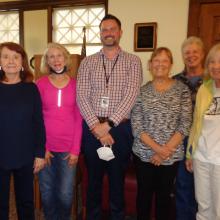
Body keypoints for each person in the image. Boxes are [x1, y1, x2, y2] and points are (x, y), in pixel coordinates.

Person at [77, 14, 142, 220]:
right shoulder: (88, 62)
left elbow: (131, 95)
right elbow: (81, 96)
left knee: (117, 180)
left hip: (120, 130)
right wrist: (97, 126)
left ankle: (117, 216)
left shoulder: (133, 61)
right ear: (100, 33)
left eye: (112, 29)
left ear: (120, 32)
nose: (108, 33)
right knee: (93, 180)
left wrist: (109, 124)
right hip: (92, 129)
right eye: (104, 29)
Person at [131, 47, 192, 220]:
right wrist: (157, 149)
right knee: (143, 197)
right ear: (150, 65)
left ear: (171, 65)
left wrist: (164, 151)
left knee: (164, 198)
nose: (160, 64)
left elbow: (185, 123)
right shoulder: (141, 91)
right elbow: (137, 126)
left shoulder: (182, 90)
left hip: (170, 156)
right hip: (144, 155)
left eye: (165, 61)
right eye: (156, 60)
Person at [37, 43, 82, 220]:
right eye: (51, 56)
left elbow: (79, 119)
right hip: (45, 149)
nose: (56, 60)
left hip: (68, 150)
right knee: (47, 193)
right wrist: (42, 147)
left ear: (66, 58)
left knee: (65, 195)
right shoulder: (39, 84)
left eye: (59, 55)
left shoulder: (76, 85)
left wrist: (75, 150)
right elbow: (36, 119)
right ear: (47, 61)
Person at [0, 42, 46, 220]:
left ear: (22, 61)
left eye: (15, 57)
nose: (10, 61)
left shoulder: (31, 89)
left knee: (26, 202)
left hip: (25, 154)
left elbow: (38, 123)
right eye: (5, 56)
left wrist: (40, 153)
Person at [186, 43, 220, 220]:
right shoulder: (205, 89)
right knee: (203, 206)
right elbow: (196, 123)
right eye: (212, 62)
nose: (216, 66)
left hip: (219, 160)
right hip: (202, 157)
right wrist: (190, 153)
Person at [174, 36, 205, 220]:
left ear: (202, 54)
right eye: (187, 53)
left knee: (205, 188)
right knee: (183, 187)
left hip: (207, 140)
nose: (191, 55)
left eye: (195, 51)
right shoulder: (175, 81)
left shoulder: (213, 79)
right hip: (182, 139)